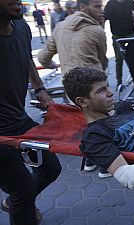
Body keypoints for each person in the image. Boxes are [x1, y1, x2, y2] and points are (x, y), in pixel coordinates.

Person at [0, 0, 61, 224]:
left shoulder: (22, 28)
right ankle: (20, 202)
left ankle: (15, 202)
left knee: (51, 168)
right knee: (22, 190)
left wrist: (40, 89)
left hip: (19, 120)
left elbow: (27, 60)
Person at [38, 0, 108, 74]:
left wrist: (52, 65)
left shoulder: (59, 27)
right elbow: (103, 63)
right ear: (83, 7)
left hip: (70, 82)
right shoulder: (96, 30)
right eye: (97, 7)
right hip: (95, 81)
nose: (101, 11)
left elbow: (43, 58)